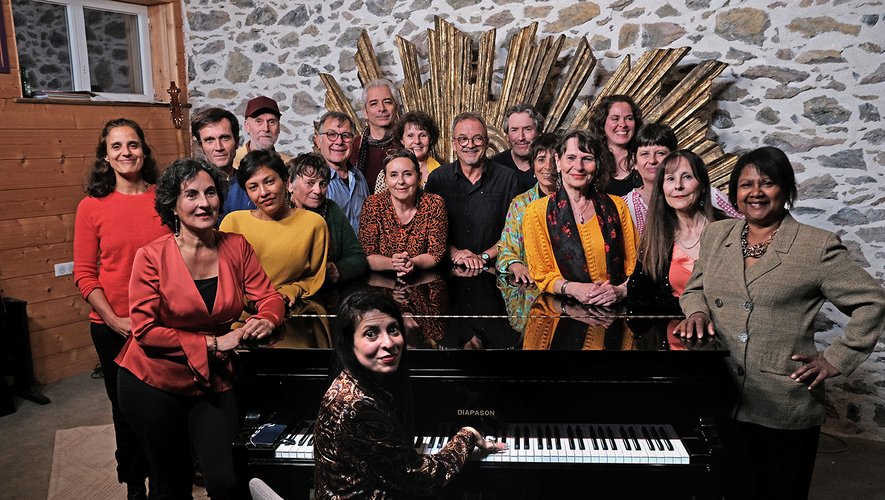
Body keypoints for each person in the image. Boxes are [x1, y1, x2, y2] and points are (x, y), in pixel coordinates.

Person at [674, 146, 885, 499]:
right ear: (735, 193)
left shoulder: (816, 246)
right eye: (746, 184)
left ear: (785, 189)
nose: (756, 192)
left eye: (767, 183)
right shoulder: (717, 235)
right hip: (718, 395)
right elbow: (694, 288)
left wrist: (836, 358)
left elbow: (871, 302)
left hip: (781, 402)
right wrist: (697, 312)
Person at [117, 159, 285, 499]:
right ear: (173, 206)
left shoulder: (236, 246)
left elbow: (269, 297)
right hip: (152, 381)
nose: (204, 203)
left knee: (226, 480)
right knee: (171, 484)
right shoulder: (151, 256)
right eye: (191, 195)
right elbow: (145, 330)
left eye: (210, 192)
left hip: (213, 379)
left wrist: (266, 318)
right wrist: (214, 342)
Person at [313, 290, 505, 497]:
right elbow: (423, 478)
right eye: (371, 333)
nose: (389, 343)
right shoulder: (357, 406)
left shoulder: (358, 380)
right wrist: (468, 434)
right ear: (349, 343)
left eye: (393, 329)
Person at [73, 118, 168, 499]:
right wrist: (114, 320)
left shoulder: (164, 199)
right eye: (116, 146)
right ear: (105, 156)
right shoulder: (90, 207)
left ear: (143, 150)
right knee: (126, 410)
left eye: (132, 144)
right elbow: (84, 274)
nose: (126, 152)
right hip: (112, 327)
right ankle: (133, 482)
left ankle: (163, 478)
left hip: (162, 323)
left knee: (163, 406)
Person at [523, 130, 638, 305]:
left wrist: (621, 291)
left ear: (597, 164)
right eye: (571, 158)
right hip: (563, 311)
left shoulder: (617, 206)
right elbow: (541, 274)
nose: (579, 166)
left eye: (587, 158)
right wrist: (574, 289)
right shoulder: (536, 212)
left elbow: (635, 266)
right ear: (558, 162)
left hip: (614, 307)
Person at [220, 149, 328, 302]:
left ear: (286, 181)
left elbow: (314, 278)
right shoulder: (233, 223)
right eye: (253, 187)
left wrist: (290, 291)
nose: (263, 192)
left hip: (294, 308)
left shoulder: (313, 224)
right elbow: (224, 277)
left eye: (269, 181)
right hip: (241, 310)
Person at [628, 150, 722, 314]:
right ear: (662, 189)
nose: (678, 186)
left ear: (702, 185)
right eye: (670, 179)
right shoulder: (655, 237)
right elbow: (638, 298)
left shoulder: (727, 229)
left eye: (687, 177)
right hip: (677, 326)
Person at [424, 112, 520, 269]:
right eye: (463, 139)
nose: (470, 145)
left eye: (477, 138)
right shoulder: (438, 179)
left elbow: (515, 231)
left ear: (487, 143)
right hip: (446, 270)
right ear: (454, 144)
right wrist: (454, 253)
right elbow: (428, 227)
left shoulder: (508, 179)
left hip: (494, 269)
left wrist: (483, 257)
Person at [625, 123, 740, 235]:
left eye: (660, 153)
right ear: (634, 162)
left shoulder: (709, 196)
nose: (652, 160)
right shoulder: (624, 206)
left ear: (675, 156)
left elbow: (743, 226)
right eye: (644, 154)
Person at [359, 149, 448, 277]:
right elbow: (367, 255)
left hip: (423, 279)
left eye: (407, 174)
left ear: (419, 177)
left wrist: (413, 262)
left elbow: (435, 254)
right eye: (393, 175)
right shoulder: (373, 205)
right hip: (381, 282)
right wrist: (394, 264)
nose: (401, 181)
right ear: (385, 180)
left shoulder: (434, 204)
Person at [287, 153, 368, 285]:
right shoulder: (279, 213)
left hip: (329, 289)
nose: (318, 191)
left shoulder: (331, 210)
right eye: (310, 183)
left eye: (323, 184)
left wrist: (338, 270)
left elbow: (357, 257)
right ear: (290, 185)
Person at [496, 133, 559, 283]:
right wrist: (516, 265)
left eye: (554, 160)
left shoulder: (576, 201)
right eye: (541, 160)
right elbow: (505, 249)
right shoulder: (520, 204)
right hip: (531, 284)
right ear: (532, 165)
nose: (548, 167)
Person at [190, 107, 254, 220]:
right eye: (209, 140)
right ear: (201, 146)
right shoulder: (191, 188)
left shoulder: (252, 184)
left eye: (225, 138)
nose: (218, 147)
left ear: (236, 142)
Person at [315, 111, 370, 233]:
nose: (339, 142)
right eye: (331, 134)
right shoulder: (314, 182)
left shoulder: (359, 177)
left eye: (346, 135)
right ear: (318, 141)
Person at [350, 79, 400, 194]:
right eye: (373, 104)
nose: (381, 109)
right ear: (365, 112)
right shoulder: (353, 148)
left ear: (396, 108)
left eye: (387, 102)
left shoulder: (408, 144)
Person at [589, 94, 643, 197]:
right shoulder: (591, 160)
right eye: (615, 118)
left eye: (629, 118)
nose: (623, 124)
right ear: (602, 122)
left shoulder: (646, 158)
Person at [375, 110, 441, 192]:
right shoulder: (386, 175)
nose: (417, 141)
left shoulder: (443, 173)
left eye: (423, 135)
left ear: (430, 139)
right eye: (410, 135)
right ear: (401, 139)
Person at [490, 103, 543, 192]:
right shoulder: (494, 166)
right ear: (507, 136)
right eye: (514, 130)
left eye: (527, 129)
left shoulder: (552, 165)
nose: (521, 137)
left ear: (539, 133)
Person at [232, 95, 292, 169]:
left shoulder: (289, 165)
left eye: (271, 122)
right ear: (247, 126)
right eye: (258, 121)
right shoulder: (231, 163)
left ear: (279, 127)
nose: (266, 129)